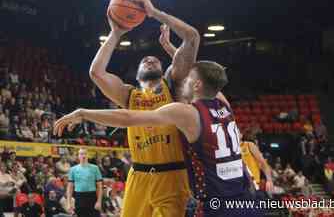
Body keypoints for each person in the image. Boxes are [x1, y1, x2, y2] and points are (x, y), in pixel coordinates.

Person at [54, 61, 262, 217]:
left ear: (197, 85)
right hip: (246, 197)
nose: (184, 81)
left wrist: (83, 112)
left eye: (189, 78)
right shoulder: (225, 107)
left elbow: (128, 117)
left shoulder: (187, 113)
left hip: (218, 202)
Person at [88, 0, 200, 217]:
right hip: (137, 176)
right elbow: (96, 73)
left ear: (164, 69)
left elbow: (192, 38)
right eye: (145, 60)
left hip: (171, 176)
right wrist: (115, 33)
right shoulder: (129, 96)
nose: (149, 59)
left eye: (155, 59)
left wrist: (154, 13)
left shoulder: (174, 87)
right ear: (137, 75)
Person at [67, 148, 102, 217]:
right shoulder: (73, 169)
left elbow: (99, 186)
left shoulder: (95, 168)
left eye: (85, 153)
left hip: (92, 196)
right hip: (79, 197)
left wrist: (99, 201)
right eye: (81, 154)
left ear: (88, 155)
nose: (83, 155)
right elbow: (70, 188)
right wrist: (69, 203)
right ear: (78, 156)